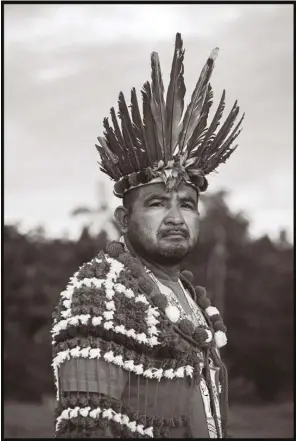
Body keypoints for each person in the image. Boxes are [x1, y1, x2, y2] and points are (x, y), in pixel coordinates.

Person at [52, 33, 244, 438]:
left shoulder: (190, 297)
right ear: (124, 218)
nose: (176, 217)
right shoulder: (101, 290)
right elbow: (85, 430)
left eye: (187, 204)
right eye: (157, 203)